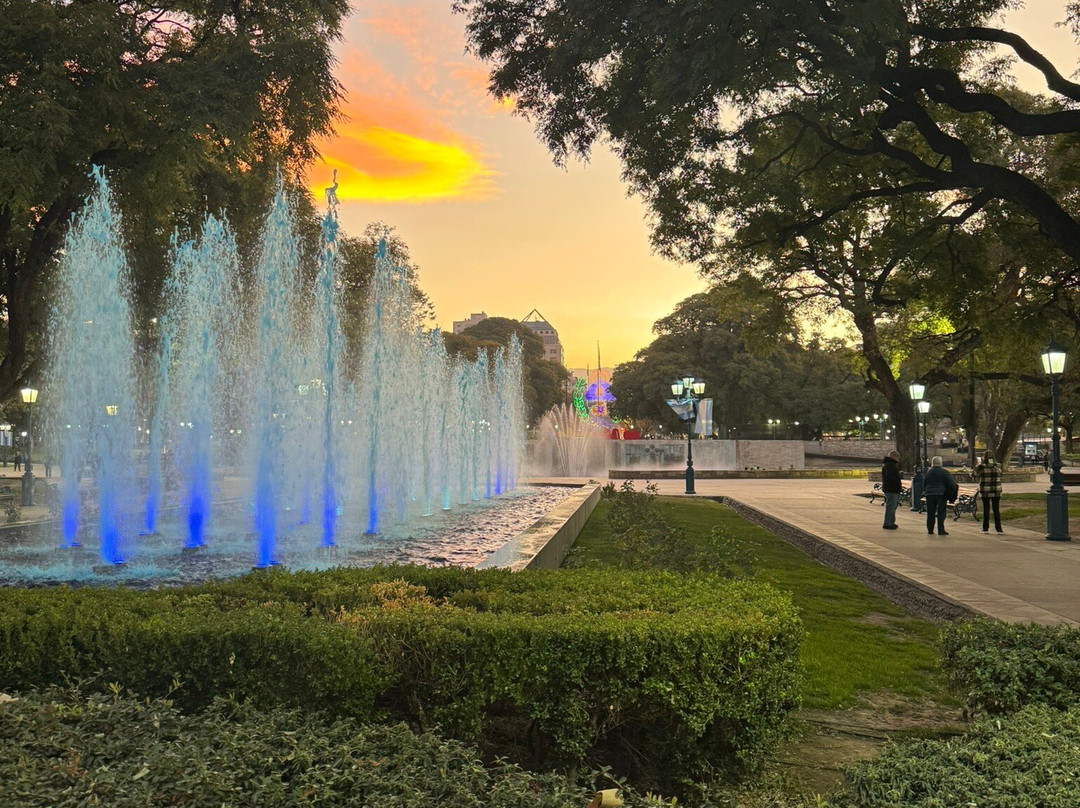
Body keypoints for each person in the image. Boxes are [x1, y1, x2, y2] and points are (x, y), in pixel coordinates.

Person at [922, 456, 958, 536]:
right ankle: (941, 530)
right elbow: (952, 484)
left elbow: (924, 483)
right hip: (940, 494)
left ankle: (930, 529)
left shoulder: (929, 472)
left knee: (930, 512)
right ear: (941, 463)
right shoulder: (944, 472)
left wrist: (925, 491)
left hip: (930, 494)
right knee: (941, 512)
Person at [975, 451, 1003, 534]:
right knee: (996, 509)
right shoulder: (998, 466)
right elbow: (1001, 474)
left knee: (986, 509)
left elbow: (974, 474)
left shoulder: (981, 467)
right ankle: (999, 529)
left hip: (985, 490)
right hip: (996, 490)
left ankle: (985, 528)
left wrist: (978, 465)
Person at [881, 450, 903, 530]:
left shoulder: (890, 464)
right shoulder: (890, 465)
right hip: (891, 488)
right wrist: (896, 483)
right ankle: (887, 523)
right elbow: (890, 477)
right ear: (893, 456)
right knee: (891, 506)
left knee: (893, 506)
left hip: (892, 488)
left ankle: (891, 522)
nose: (899, 458)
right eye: (898, 456)